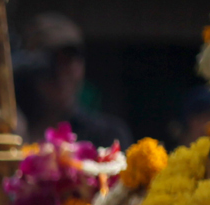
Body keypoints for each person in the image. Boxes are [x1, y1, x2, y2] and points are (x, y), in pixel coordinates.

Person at [18, 13, 129, 147]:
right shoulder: (11, 128)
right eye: (51, 60)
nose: (60, 72)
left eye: (69, 59)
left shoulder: (106, 135)